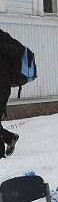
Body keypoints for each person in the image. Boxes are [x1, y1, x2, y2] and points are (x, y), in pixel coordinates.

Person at [0, 29, 24, 158]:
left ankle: (1, 157)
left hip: (2, 85)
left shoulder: (2, 36)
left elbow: (20, 50)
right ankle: (10, 138)